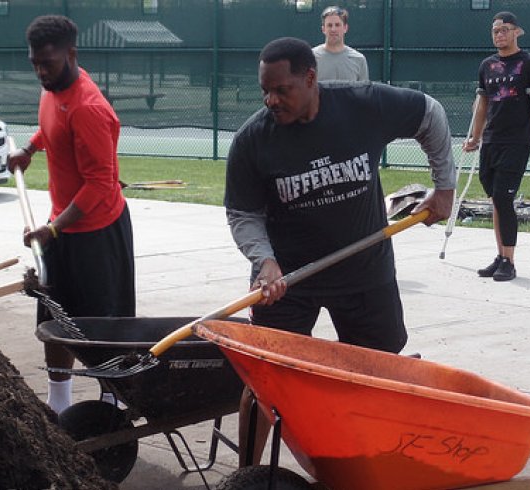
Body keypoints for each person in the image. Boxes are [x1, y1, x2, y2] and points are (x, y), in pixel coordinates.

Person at [224, 37, 456, 467]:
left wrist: (444, 188)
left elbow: (431, 113)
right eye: (265, 90)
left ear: (310, 78)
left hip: (364, 271)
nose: (271, 100)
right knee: (266, 384)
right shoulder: (253, 140)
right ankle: (248, 476)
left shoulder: (363, 105)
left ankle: (373, 466)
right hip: (288, 281)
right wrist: (264, 261)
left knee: (379, 374)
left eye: (282, 89)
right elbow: (242, 213)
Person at [7, 15, 135, 415]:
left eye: (49, 63)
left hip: (97, 234)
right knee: (54, 317)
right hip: (60, 228)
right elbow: (52, 128)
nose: (42, 72)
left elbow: (100, 184)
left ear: (72, 55)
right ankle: (59, 402)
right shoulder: (54, 91)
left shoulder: (89, 108)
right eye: (35, 64)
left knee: (102, 327)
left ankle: (113, 403)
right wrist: (29, 148)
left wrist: (54, 229)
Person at [462, 11, 530, 282]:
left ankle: (510, 261)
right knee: (496, 199)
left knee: (504, 198)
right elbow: (482, 104)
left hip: (517, 141)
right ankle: (500, 256)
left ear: (516, 31)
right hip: (491, 140)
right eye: (495, 31)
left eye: (505, 30)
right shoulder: (487, 65)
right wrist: (475, 136)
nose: (499, 35)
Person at [312, 6, 369, 82]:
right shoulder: (311, 58)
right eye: (329, 25)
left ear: (345, 28)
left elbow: (363, 92)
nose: (333, 29)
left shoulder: (359, 59)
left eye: (337, 25)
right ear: (323, 29)